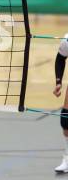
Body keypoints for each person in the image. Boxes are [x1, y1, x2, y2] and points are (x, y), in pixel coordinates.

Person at [53, 34, 68, 173]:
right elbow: (60, 59)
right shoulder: (67, 39)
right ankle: (67, 159)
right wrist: (58, 82)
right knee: (66, 120)